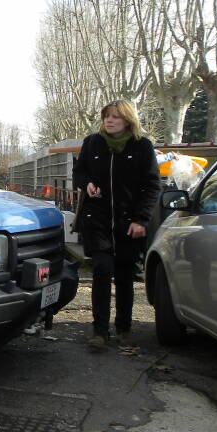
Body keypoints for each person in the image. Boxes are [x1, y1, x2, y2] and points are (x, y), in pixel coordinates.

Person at [72, 100, 161, 350]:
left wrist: (140, 219)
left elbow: (152, 185)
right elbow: (79, 172)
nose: (109, 121)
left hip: (128, 222)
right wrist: (87, 183)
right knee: (101, 269)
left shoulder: (142, 146)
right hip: (97, 220)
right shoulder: (92, 143)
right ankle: (100, 331)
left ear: (127, 120)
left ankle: (124, 328)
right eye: (106, 117)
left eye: (115, 117)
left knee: (124, 276)